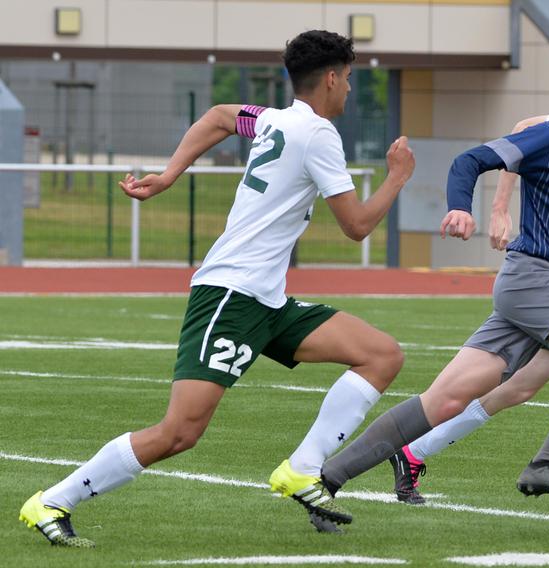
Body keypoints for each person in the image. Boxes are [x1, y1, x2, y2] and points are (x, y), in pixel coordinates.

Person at [18, 30, 415, 547]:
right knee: (179, 433)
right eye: (349, 79)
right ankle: (52, 501)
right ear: (334, 78)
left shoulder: (272, 118)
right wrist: (397, 177)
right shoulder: (317, 134)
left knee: (381, 355)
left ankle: (303, 468)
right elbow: (357, 226)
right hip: (231, 296)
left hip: (267, 299)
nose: (348, 91)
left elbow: (220, 117)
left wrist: (167, 175)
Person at [298, 39, 549, 529]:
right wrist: (460, 207)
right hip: (533, 278)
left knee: (445, 399)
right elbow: (470, 161)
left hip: (548, 287)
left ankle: (324, 481)